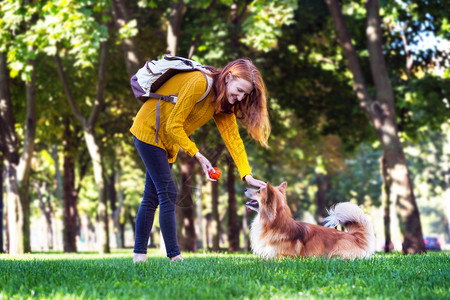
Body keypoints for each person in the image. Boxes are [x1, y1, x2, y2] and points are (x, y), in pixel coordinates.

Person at [130, 58, 271, 263]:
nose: (240, 97)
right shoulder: (200, 82)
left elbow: (233, 139)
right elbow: (173, 124)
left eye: (244, 94)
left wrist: (246, 175)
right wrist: (197, 154)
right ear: (229, 77)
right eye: (239, 90)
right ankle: (174, 257)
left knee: (152, 197)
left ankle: (139, 257)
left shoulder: (222, 103)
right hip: (149, 130)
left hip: (166, 142)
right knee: (168, 193)